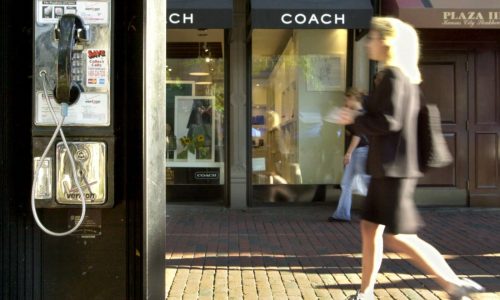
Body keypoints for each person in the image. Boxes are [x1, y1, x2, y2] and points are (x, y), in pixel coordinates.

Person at [335, 17, 485, 300]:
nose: (368, 42)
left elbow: (389, 121)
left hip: (395, 169)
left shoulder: (394, 77)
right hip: (387, 167)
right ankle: (366, 292)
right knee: (369, 228)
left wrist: (354, 118)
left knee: (399, 236)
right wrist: (358, 115)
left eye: (372, 37)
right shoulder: (394, 76)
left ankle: (453, 284)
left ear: (387, 41)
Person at [328, 88, 370, 222]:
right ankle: (341, 214)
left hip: (361, 151)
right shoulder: (356, 113)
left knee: (367, 182)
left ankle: (382, 212)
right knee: (346, 183)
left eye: (347, 99)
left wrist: (348, 153)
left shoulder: (360, 115)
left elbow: (358, 135)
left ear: (353, 99)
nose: (345, 101)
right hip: (359, 151)